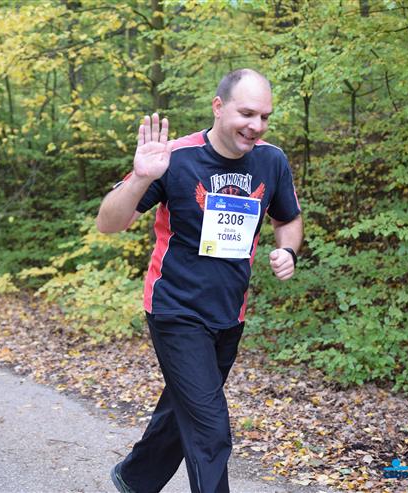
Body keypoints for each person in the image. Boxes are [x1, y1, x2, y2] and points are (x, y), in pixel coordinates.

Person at [96, 68, 303, 493]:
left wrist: (288, 250)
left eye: (264, 116)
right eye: (247, 113)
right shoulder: (175, 157)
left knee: (185, 407)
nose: (256, 126)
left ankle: (135, 478)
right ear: (218, 107)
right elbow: (108, 223)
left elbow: (288, 218)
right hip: (175, 309)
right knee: (210, 427)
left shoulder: (272, 160)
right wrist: (141, 177)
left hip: (229, 312)